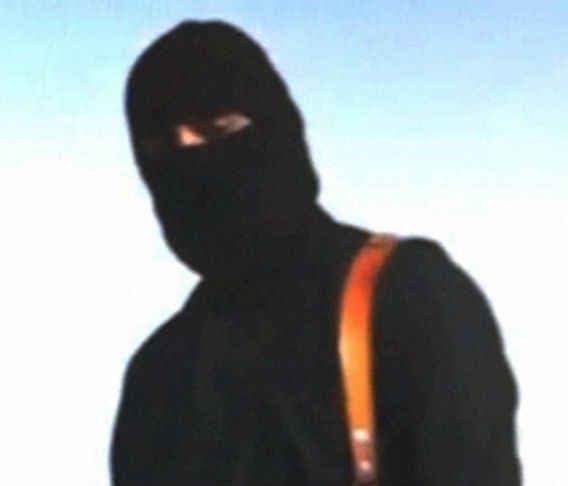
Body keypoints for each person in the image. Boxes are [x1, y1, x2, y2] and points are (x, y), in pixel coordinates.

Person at [110, 20, 521, 485]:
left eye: (217, 129)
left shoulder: (407, 296)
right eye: (162, 147)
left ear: (278, 128)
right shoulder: (160, 375)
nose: (191, 164)